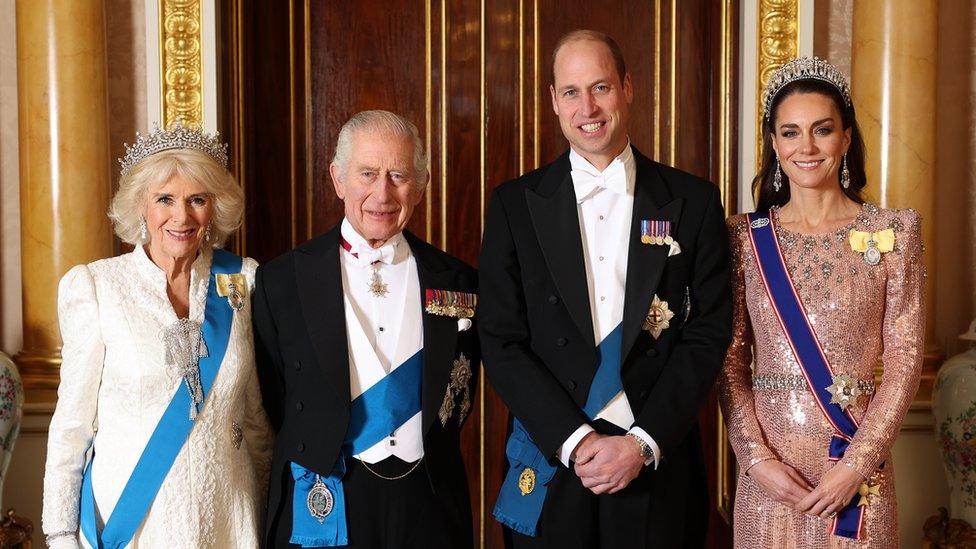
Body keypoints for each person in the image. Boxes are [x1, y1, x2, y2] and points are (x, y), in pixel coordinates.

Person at [479, 29, 732, 547]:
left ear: (628, 88)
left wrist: (641, 444)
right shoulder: (513, 205)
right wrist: (576, 441)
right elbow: (500, 340)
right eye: (571, 92)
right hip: (553, 458)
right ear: (553, 100)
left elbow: (707, 335)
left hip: (655, 461)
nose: (587, 106)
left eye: (601, 87)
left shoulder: (694, 200)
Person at [719, 57, 923, 547]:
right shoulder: (744, 239)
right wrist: (756, 458)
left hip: (855, 473)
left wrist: (856, 465)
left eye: (822, 130)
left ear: (846, 137)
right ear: (773, 143)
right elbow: (728, 361)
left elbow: (905, 357)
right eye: (790, 132)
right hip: (771, 478)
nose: (805, 147)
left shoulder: (893, 232)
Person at [253, 110, 479, 548]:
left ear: (422, 184)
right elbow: (275, 397)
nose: (382, 193)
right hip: (326, 494)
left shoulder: (459, 282)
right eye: (368, 173)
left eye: (398, 174)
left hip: (429, 502)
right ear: (338, 179)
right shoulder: (282, 281)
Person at [41, 121, 273, 548]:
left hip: (229, 519)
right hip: (133, 525)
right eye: (164, 199)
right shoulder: (97, 288)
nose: (181, 216)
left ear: (214, 207)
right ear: (141, 208)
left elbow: (256, 418)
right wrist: (60, 535)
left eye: (196, 200)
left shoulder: (242, 281)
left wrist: (268, 517)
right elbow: (71, 427)